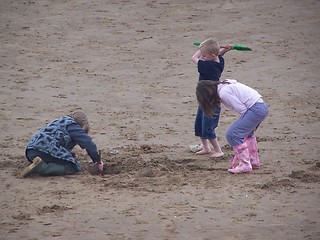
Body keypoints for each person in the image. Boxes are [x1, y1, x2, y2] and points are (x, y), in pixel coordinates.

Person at [196, 79, 269, 174]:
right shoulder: (224, 85)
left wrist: (250, 123)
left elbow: (242, 110)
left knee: (233, 134)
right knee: (246, 133)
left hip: (255, 109)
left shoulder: (223, 92)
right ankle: (252, 161)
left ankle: (245, 164)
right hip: (260, 107)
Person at [21, 111, 104, 177]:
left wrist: (70, 155)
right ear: (82, 126)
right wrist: (97, 161)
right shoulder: (73, 126)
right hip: (44, 150)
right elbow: (89, 144)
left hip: (30, 151)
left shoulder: (59, 122)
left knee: (67, 159)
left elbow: (55, 140)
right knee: (74, 167)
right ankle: (40, 168)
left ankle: (36, 163)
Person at [191, 38, 231, 157]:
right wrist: (223, 51)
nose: (202, 57)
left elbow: (194, 58)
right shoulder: (219, 62)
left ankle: (218, 150)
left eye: (204, 55)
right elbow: (219, 55)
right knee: (200, 123)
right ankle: (206, 148)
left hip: (211, 99)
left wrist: (199, 49)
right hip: (204, 98)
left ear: (212, 55)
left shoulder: (208, 66)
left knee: (208, 126)